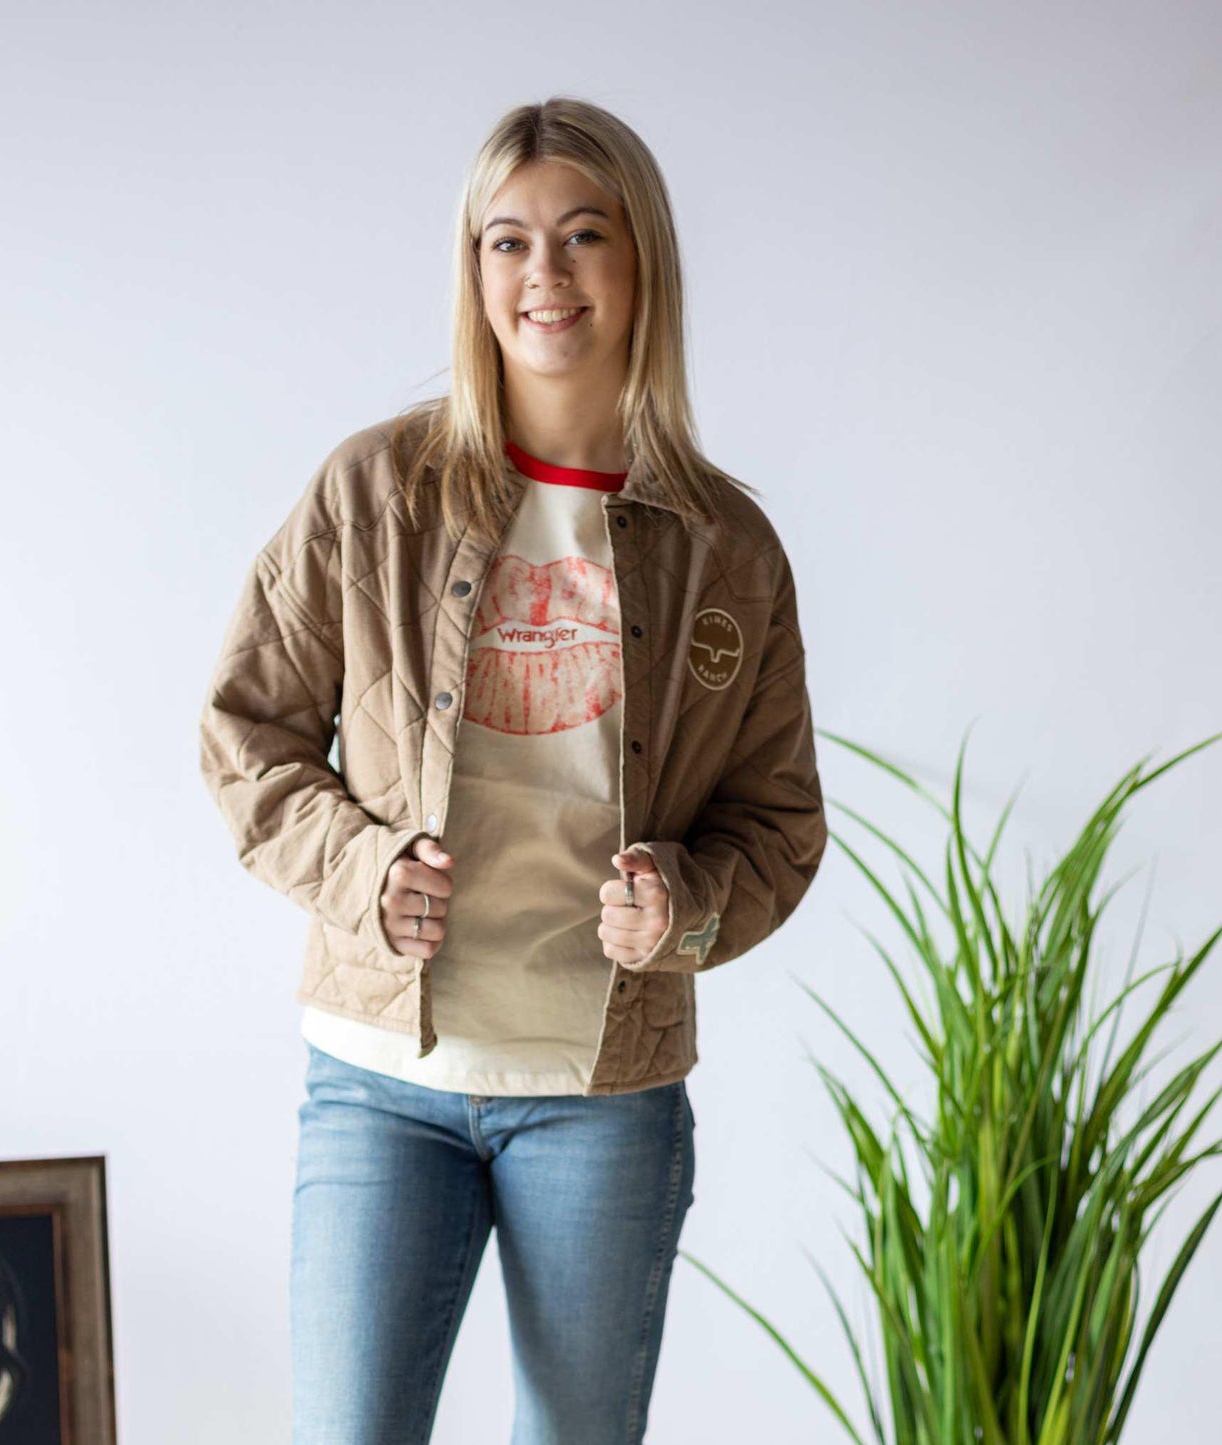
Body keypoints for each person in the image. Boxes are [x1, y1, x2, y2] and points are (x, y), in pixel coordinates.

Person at [198, 95, 828, 1445]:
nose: (544, 273)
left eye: (583, 234)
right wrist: (361, 869)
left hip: (605, 1100)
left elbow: (776, 822)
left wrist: (685, 908)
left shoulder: (726, 547)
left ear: (641, 260)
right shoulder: (372, 492)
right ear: (472, 269)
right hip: (380, 1084)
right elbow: (245, 729)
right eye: (507, 240)